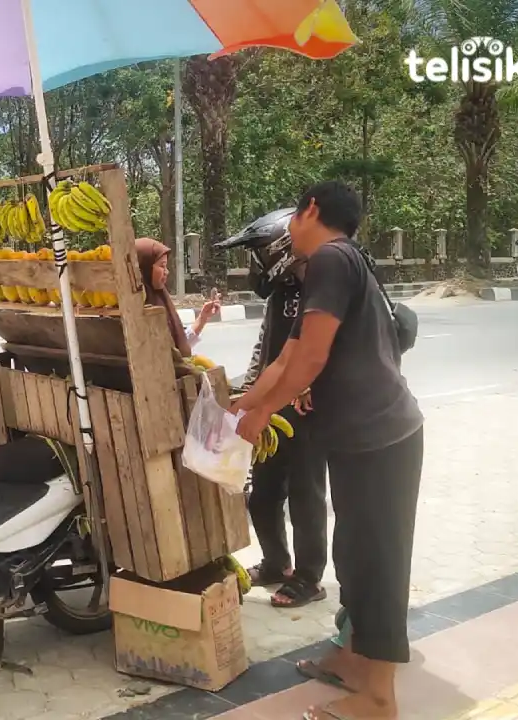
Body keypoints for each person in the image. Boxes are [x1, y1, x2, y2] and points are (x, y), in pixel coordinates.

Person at [229, 181, 424, 720]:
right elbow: (288, 353)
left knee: (377, 563)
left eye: (295, 212)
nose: (289, 228)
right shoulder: (332, 264)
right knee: (356, 559)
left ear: (311, 209)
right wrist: (245, 402)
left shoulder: (331, 260)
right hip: (360, 439)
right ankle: (354, 662)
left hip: (381, 437)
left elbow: (310, 361)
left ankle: (379, 700)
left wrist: (265, 412)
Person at [229, 209, 330, 610]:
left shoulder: (322, 288)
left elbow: (323, 350)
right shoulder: (284, 292)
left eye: (260, 253)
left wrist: (309, 385)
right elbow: (267, 346)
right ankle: (276, 563)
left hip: (309, 411)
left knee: (306, 496)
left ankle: (309, 577)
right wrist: (251, 388)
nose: (257, 264)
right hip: (274, 403)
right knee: (263, 493)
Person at [135, 237, 220, 355]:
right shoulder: (136, 309)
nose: (166, 271)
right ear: (144, 268)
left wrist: (202, 318)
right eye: (162, 265)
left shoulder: (160, 298)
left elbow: (177, 345)